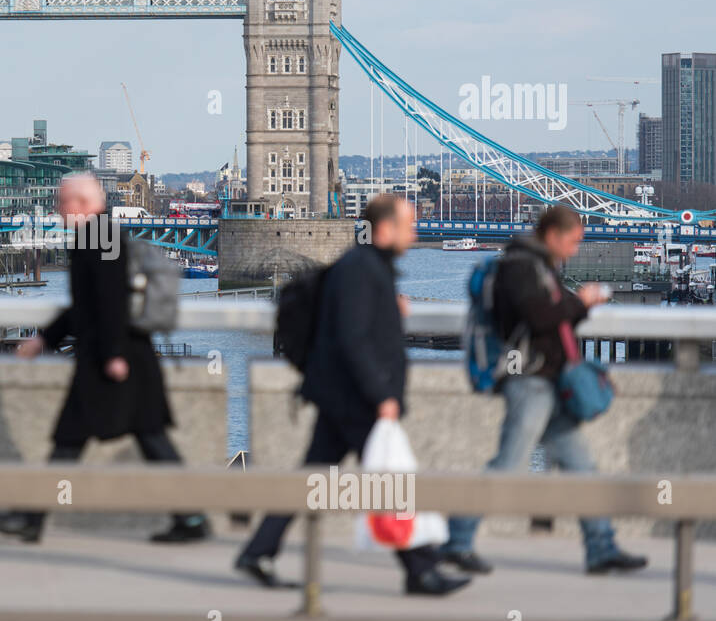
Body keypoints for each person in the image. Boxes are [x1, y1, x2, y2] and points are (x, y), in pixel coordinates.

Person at [235, 195, 470, 596]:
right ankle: (420, 570)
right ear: (384, 229)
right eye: (408, 225)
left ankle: (258, 551)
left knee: (315, 476)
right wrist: (382, 395)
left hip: (340, 394)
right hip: (354, 398)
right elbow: (352, 338)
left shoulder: (365, 267)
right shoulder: (363, 270)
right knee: (389, 481)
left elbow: (359, 325)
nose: (415, 234)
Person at [0, 172, 210, 544]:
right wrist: (44, 339)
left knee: (74, 440)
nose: (59, 210)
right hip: (122, 355)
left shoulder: (97, 238)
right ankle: (192, 518)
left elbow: (108, 301)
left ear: (85, 205)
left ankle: (31, 519)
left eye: (63, 203)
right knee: (147, 439)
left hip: (113, 360)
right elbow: (87, 305)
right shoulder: (99, 235)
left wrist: (113, 355)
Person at [438, 205, 647, 575]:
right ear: (552, 235)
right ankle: (456, 541)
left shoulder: (540, 265)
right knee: (508, 465)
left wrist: (576, 306)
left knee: (582, 467)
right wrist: (580, 302)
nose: (573, 251)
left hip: (550, 382)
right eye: (571, 242)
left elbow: (552, 315)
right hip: (529, 383)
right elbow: (538, 317)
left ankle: (602, 549)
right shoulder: (520, 266)